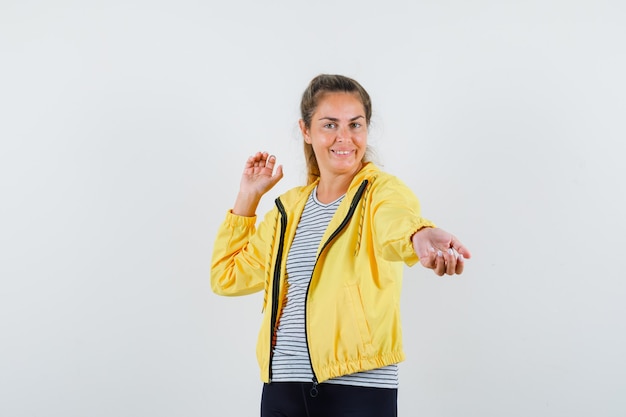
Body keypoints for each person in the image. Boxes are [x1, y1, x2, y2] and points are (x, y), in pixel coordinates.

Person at [210, 74, 472, 417]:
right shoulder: (287, 210)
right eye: (329, 124)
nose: (344, 137)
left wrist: (419, 234)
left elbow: (395, 220)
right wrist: (248, 197)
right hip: (282, 388)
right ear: (306, 131)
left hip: (358, 388)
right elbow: (226, 277)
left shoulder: (381, 191)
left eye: (355, 124)